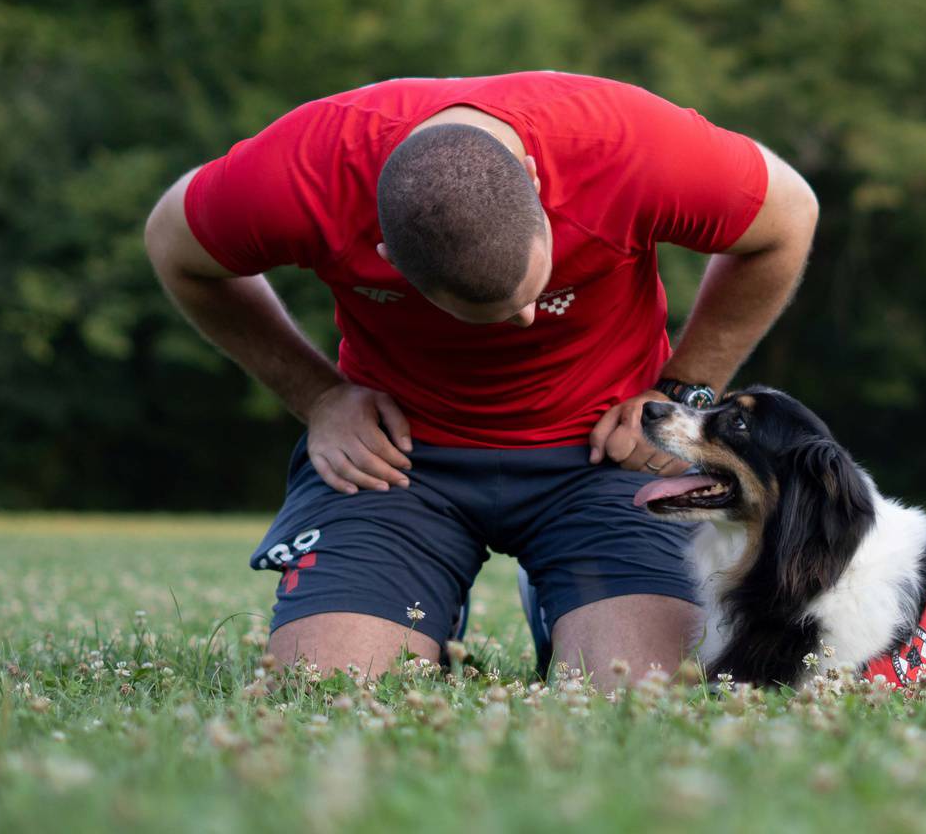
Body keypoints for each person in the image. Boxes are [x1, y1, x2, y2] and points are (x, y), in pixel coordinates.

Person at [144, 72, 818, 684]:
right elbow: (175, 247)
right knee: (321, 693)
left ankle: (560, 593)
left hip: (601, 453)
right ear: (385, 251)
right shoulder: (303, 174)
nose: (526, 317)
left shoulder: (629, 147)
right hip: (399, 461)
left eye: (535, 287)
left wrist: (683, 391)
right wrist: (318, 396)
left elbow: (788, 218)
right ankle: (423, 592)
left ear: (532, 177)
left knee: (646, 693)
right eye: (489, 313)